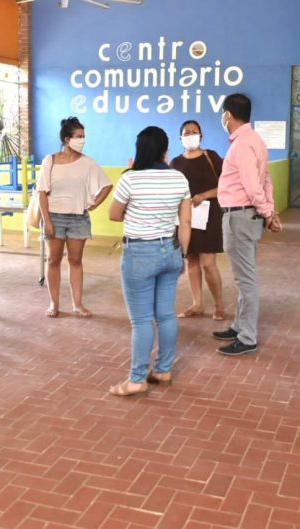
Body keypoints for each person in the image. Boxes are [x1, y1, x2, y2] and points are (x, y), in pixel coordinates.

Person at [108, 126, 192, 396]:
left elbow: (113, 214)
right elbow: (186, 223)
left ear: (140, 150)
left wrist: (137, 211)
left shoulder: (130, 179)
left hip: (140, 254)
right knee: (166, 314)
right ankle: (163, 369)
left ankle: (137, 380)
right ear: (165, 151)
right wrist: (184, 255)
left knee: (142, 320)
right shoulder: (179, 178)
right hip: (171, 251)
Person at [212, 93, 281, 357]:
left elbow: (253, 186)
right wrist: (269, 211)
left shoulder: (242, 144)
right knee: (244, 276)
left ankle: (247, 336)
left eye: (223, 113)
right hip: (246, 216)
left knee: (245, 279)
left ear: (228, 114)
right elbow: (266, 180)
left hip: (239, 216)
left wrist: (267, 212)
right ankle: (239, 326)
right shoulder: (256, 141)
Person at [37, 117, 112, 318]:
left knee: (75, 260)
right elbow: (42, 192)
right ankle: (54, 304)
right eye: (78, 136)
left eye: (83, 137)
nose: (82, 140)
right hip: (54, 217)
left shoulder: (88, 163)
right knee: (53, 260)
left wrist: (95, 203)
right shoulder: (50, 160)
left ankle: (77, 304)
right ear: (66, 139)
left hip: (78, 218)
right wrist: (47, 221)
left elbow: (107, 185)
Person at [170, 119, 226, 321]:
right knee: (191, 260)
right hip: (185, 217)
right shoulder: (175, 163)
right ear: (180, 137)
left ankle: (219, 306)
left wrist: (204, 195)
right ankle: (197, 304)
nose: (190, 135)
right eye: (187, 132)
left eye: (194, 131)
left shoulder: (211, 157)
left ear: (201, 136)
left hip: (210, 216)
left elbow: (226, 185)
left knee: (208, 263)